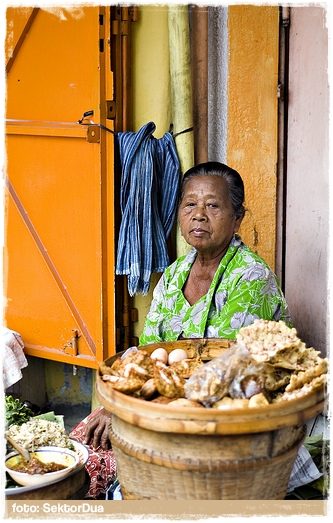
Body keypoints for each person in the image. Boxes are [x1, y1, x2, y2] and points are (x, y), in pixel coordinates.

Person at [83, 161, 291, 448]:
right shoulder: (174, 274)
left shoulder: (251, 277)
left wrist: (137, 411)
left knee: (110, 457)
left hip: (232, 416)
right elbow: (148, 354)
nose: (199, 216)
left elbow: (225, 376)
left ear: (237, 218)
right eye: (190, 204)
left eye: (213, 206)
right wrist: (117, 404)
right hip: (170, 405)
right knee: (82, 445)